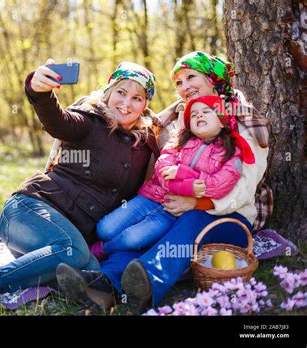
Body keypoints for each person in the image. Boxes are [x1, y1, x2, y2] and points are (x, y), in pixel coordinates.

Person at [0, 59, 159, 315]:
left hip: (61, 241)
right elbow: (57, 121)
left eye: (137, 98)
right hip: (29, 212)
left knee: (91, 276)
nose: (126, 103)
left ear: (145, 106)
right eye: (121, 93)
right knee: (73, 252)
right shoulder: (90, 121)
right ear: (109, 92)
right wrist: (39, 91)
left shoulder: (145, 144)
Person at [56, 51, 270, 313]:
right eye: (178, 82)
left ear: (213, 79)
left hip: (228, 217)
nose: (184, 87)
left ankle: (149, 283)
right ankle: (102, 287)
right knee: (147, 234)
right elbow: (164, 155)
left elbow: (244, 189)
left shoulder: (243, 121)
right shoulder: (185, 118)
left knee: (188, 221)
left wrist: (197, 202)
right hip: (174, 206)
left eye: (191, 77)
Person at [89, 95, 255, 261]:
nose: (199, 116)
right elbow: (163, 168)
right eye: (194, 114)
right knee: (104, 228)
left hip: (174, 212)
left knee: (133, 238)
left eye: (206, 111)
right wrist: (189, 186)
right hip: (150, 197)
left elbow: (219, 186)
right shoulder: (179, 140)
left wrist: (183, 174)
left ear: (222, 121)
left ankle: (103, 250)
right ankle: (111, 250)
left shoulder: (231, 152)